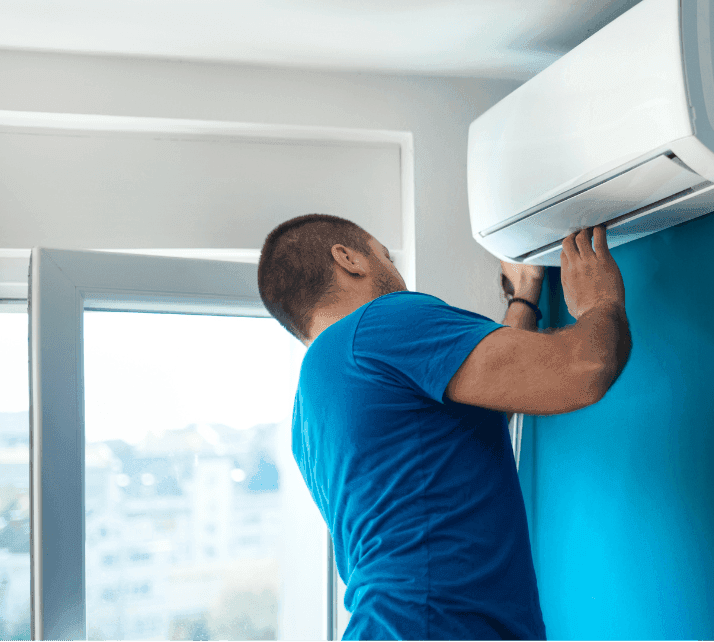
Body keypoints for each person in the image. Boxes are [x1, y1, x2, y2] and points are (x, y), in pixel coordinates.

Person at [256, 213, 632, 641]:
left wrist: (525, 295)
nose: (392, 268)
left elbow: (487, 403)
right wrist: (598, 302)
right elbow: (585, 367)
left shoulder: (312, 406)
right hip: (433, 625)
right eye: (385, 254)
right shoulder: (379, 324)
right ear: (348, 258)